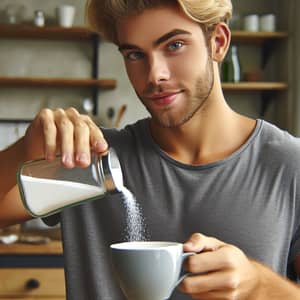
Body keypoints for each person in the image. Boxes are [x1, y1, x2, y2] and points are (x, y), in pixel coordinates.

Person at [1, 0, 300, 299]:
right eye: (134, 54)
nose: (154, 75)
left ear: (218, 43)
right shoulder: (89, 161)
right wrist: (24, 149)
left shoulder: (290, 165)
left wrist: (260, 285)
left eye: (175, 45)